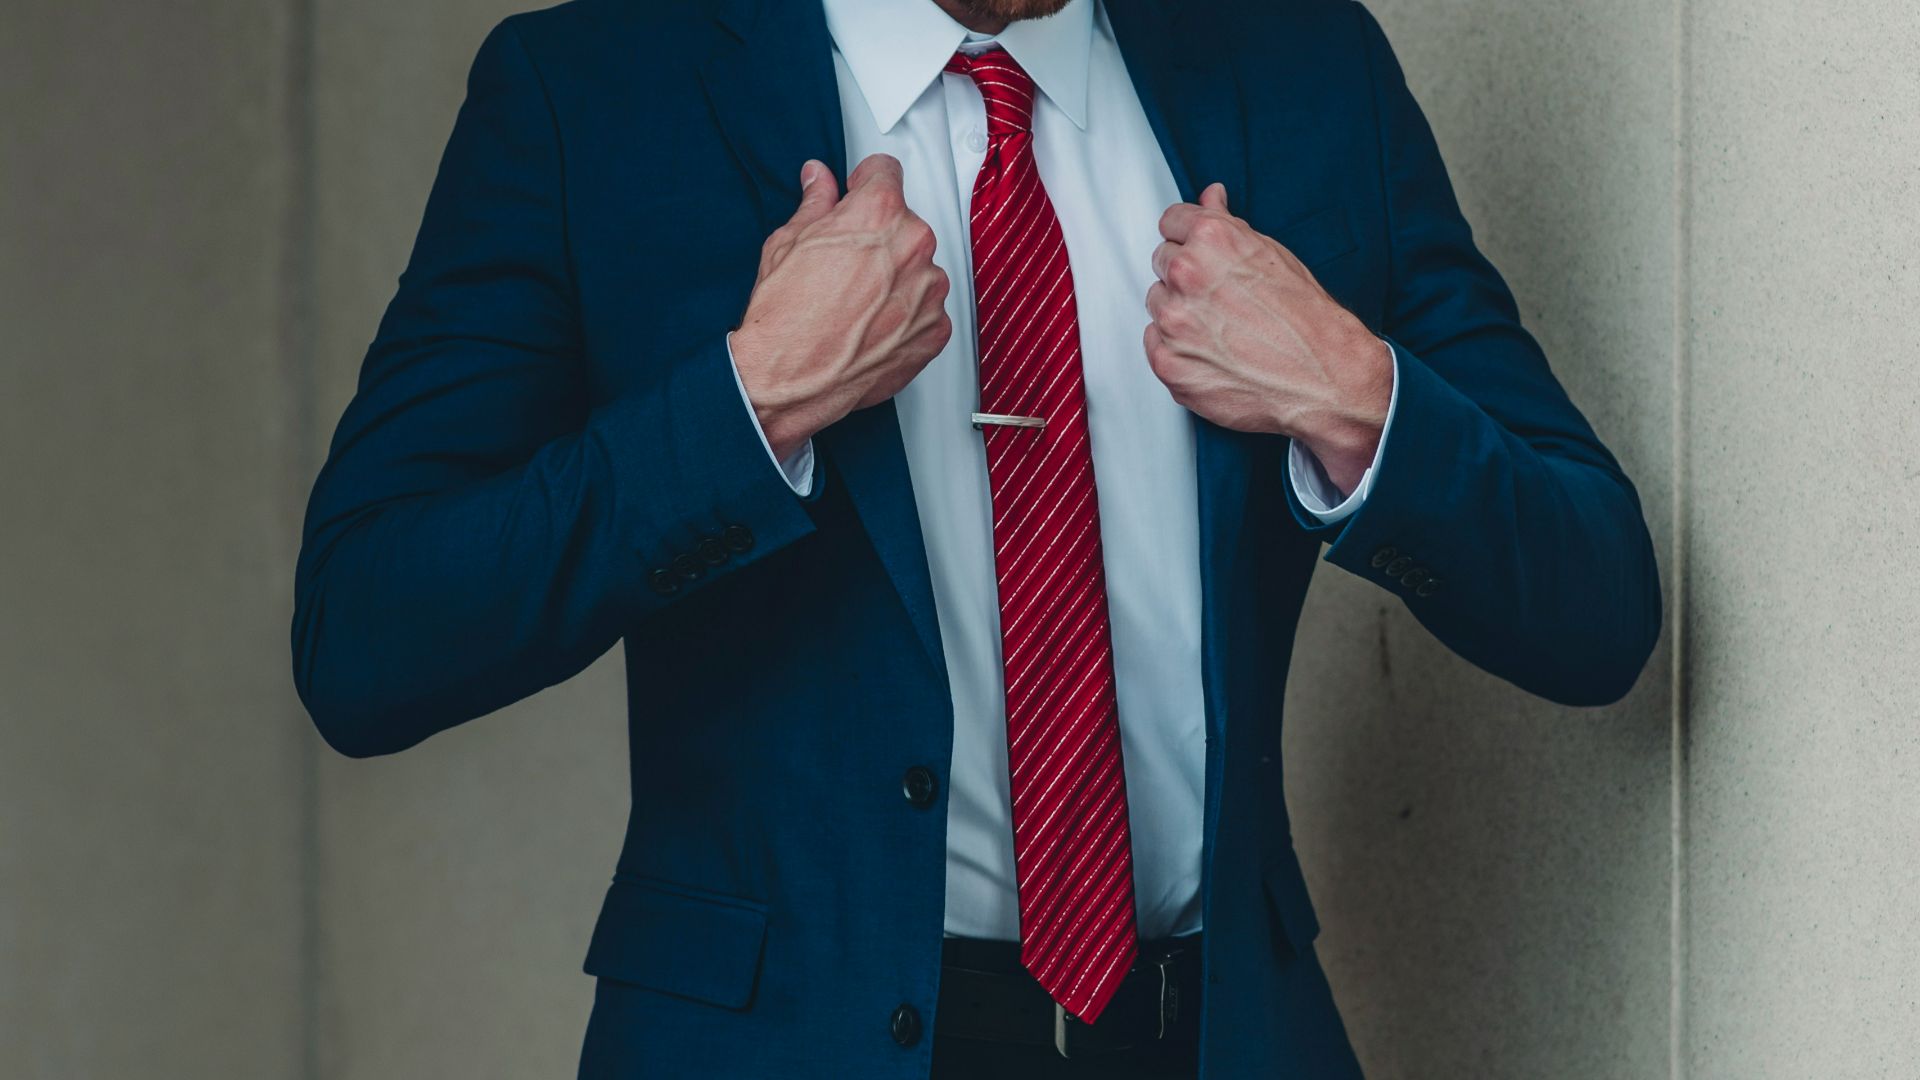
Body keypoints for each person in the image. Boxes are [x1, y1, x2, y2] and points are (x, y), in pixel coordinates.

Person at [291, 0, 1662, 1075]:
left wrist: (1361, 403)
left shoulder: (1309, 74)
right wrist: (747, 403)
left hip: (1218, 1041)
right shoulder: (593, 97)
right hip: (785, 1050)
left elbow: (1596, 604)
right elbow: (368, 632)